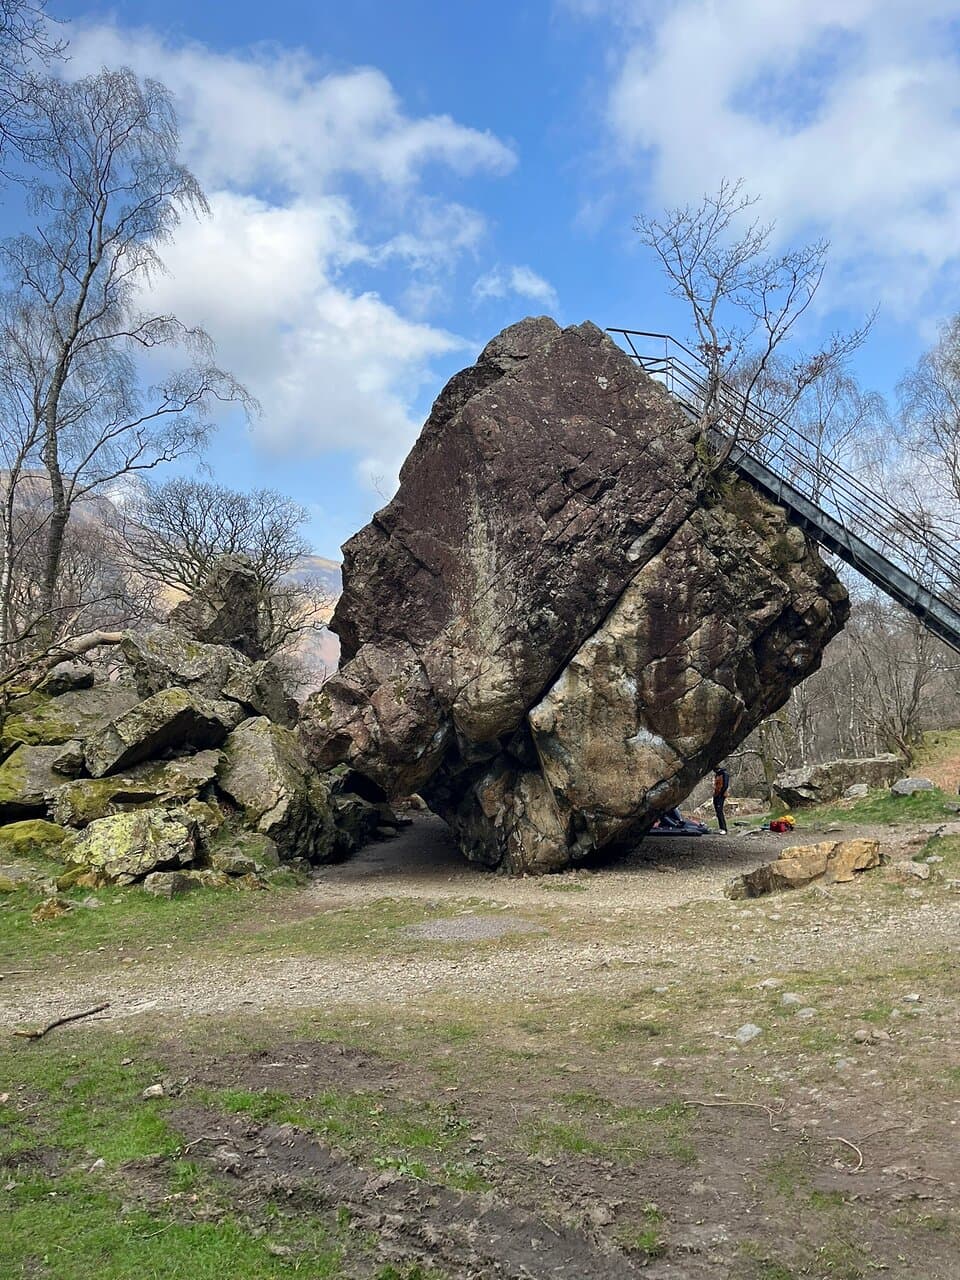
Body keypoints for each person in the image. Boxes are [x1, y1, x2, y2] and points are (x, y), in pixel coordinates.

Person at [712, 765, 730, 834]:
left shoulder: (724, 774)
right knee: (717, 812)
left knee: (720, 811)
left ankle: (724, 828)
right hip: (716, 794)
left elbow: (725, 785)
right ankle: (721, 827)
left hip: (721, 795)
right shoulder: (717, 775)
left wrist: (720, 793)